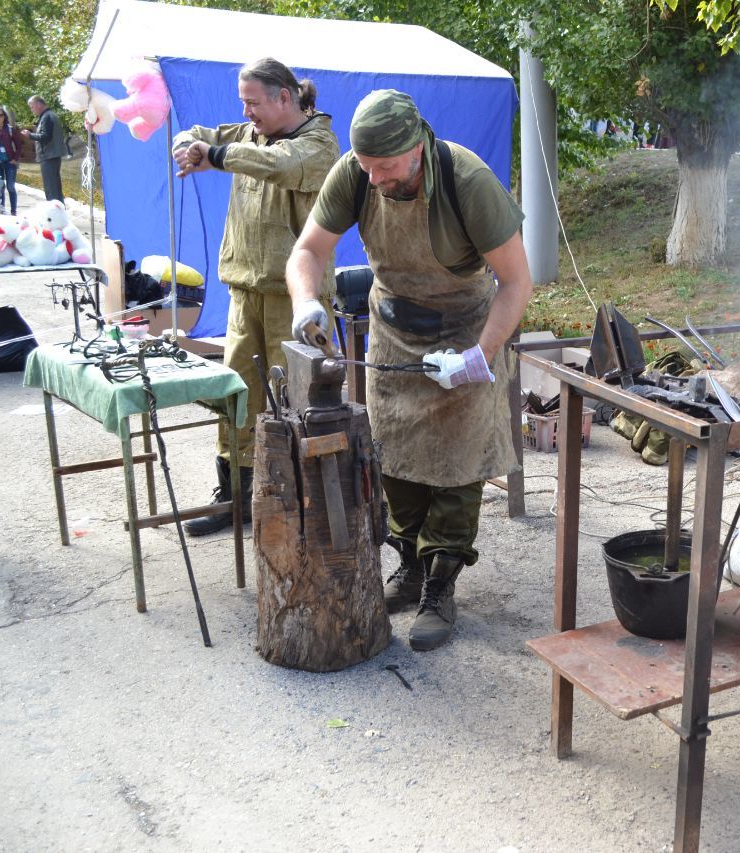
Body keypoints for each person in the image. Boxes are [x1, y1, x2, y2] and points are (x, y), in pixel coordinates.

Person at [285, 90, 532, 651]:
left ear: (417, 147)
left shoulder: (466, 181)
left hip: (465, 331)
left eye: (387, 167)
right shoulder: (355, 171)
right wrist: (306, 301)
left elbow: (517, 282)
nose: (374, 180)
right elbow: (309, 251)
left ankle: (441, 583)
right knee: (394, 458)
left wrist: (479, 356)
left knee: (457, 462)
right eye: (367, 167)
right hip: (393, 333)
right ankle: (410, 566)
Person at [172, 57, 340, 536]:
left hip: (295, 300)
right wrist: (191, 147)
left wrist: (217, 155)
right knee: (237, 397)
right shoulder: (249, 133)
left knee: (298, 402)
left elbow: (279, 166)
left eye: (253, 102)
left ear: (284, 97)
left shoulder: (318, 144)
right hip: (244, 289)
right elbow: (199, 132)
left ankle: (303, 502)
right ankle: (235, 497)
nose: (246, 112)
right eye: (242, 103)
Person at [24, 96, 64, 201]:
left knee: (51, 188)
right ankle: (58, 210)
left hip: (49, 156)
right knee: (54, 187)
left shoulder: (47, 117)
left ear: (39, 104)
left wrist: (30, 135)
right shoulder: (49, 115)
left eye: (32, 107)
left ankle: (54, 212)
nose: (31, 110)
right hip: (51, 155)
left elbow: (45, 137)